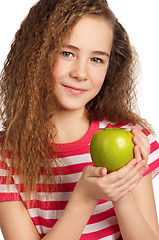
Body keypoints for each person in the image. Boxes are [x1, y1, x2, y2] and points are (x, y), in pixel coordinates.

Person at [0, 0, 159, 239]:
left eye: (97, 59)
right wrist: (85, 197)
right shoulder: (6, 157)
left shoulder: (131, 135)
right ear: (35, 55)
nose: (80, 73)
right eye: (67, 53)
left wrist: (121, 190)